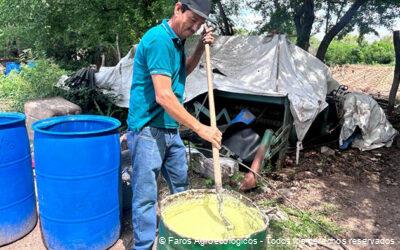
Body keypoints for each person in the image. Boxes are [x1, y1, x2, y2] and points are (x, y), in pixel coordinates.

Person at [126, 1, 222, 249]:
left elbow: (183, 73)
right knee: (146, 196)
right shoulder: (159, 40)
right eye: (193, 20)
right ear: (178, 8)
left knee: (181, 186)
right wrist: (202, 128)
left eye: (200, 24)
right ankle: (144, 245)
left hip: (169, 129)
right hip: (148, 129)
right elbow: (164, 96)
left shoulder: (176, 42)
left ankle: (178, 238)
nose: (195, 27)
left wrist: (200, 48)